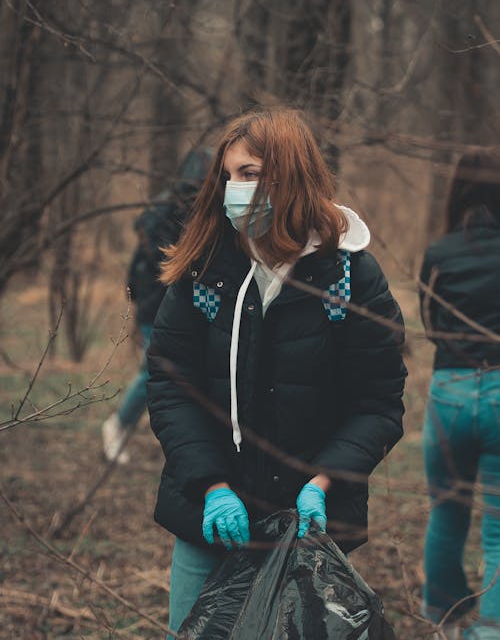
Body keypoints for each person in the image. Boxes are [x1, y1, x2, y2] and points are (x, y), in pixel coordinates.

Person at [146, 108, 407, 635]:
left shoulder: (347, 275)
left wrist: (324, 482)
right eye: (227, 175)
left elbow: (378, 402)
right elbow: (171, 386)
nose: (232, 189)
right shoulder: (205, 267)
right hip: (208, 518)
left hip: (308, 530)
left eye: (249, 174)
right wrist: (212, 485)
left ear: (290, 176)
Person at [419, 149, 500, 640]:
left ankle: (444, 625)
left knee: (446, 514)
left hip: (449, 391)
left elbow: (430, 324)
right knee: (498, 530)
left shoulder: (439, 252)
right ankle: (490, 630)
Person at [101, 147, 213, 464]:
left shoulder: (195, 209)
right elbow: (163, 264)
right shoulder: (171, 212)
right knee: (156, 371)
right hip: (159, 308)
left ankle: (186, 442)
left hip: (182, 308)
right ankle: (118, 425)